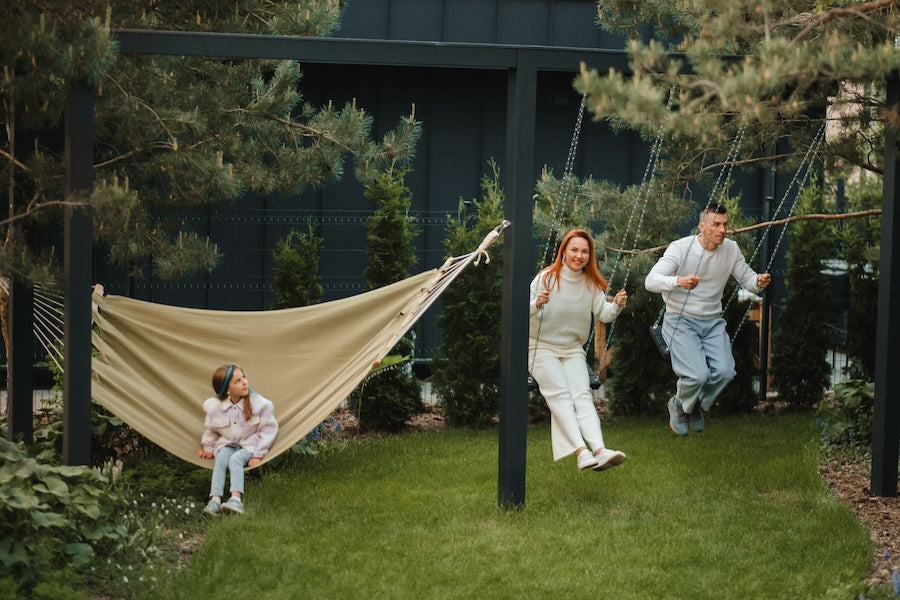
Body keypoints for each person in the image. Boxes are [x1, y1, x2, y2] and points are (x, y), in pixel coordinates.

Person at [644, 202, 772, 436]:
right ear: (702, 227)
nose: (722, 229)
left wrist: (758, 282)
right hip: (680, 319)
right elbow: (650, 281)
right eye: (716, 225)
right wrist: (678, 281)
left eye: (725, 225)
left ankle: (690, 406)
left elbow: (747, 279)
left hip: (712, 321)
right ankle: (679, 405)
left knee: (725, 372)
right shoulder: (681, 248)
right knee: (697, 375)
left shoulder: (730, 250)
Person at [528, 229, 629, 472]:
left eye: (584, 251)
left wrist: (615, 305)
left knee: (582, 396)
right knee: (560, 394)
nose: (579, 255)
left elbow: (602, 313)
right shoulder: (546, 278)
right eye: (574, 250)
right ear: (563, 252)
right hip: (540, 347)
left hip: (572, 349)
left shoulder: (592, 283)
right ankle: (581, 452)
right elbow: (520, 310)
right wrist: (537, 303)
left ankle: (600, 451)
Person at [198, 363, 278, 515]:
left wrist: (258, 454)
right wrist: (208, 448)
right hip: (227, 443)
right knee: (221, 457)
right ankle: (215, 500)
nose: (245, 382)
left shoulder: (259, 404)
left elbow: (268, 429)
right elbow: (212, 430)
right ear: (227, 390)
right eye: (238, 381)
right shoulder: (215, 407)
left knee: (235, 459)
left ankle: (235, 500)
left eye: (244, 377)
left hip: (250, 445)